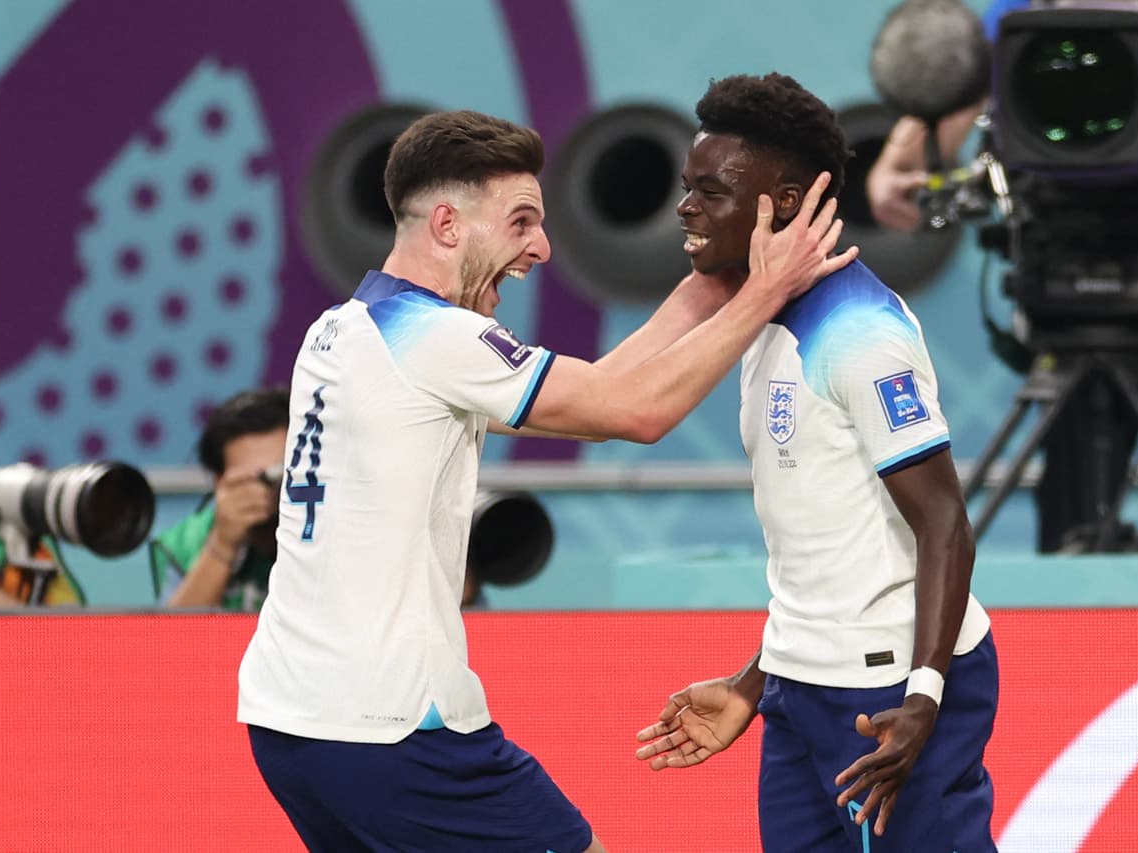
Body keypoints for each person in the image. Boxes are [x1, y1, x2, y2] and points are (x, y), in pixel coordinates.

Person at [236, 108, 855, 853]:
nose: (542, 247)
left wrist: (708, 290)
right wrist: (765, 292)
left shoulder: (343, 328)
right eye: (521, 222)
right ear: (447, 225)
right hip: (391, 726)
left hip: (289, 718)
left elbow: (595, 396)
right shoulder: (435, 338)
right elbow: (637, 412)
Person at [633, 73, 999, 852]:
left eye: (712, 191)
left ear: (787, 202)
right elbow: (822, 551)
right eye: (688, 186)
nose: (686, 208)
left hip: (883, 696)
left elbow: (945, 523)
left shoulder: (862, 333)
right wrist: (755, 681)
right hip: (798, 688)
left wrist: (923, 698)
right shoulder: (761, 316)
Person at [866, 0, 1138, 553]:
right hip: (1072, 314)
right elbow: (967, 69)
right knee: (1071, 541)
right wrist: (902, 161)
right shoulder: (1037, 11)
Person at [149, 388, 290, 611]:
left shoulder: (331, 528)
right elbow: (176, 632)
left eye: (283, 474)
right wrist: (223, 545)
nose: (273, 491)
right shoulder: (183, 544)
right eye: (258, 479)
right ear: (219, 482)